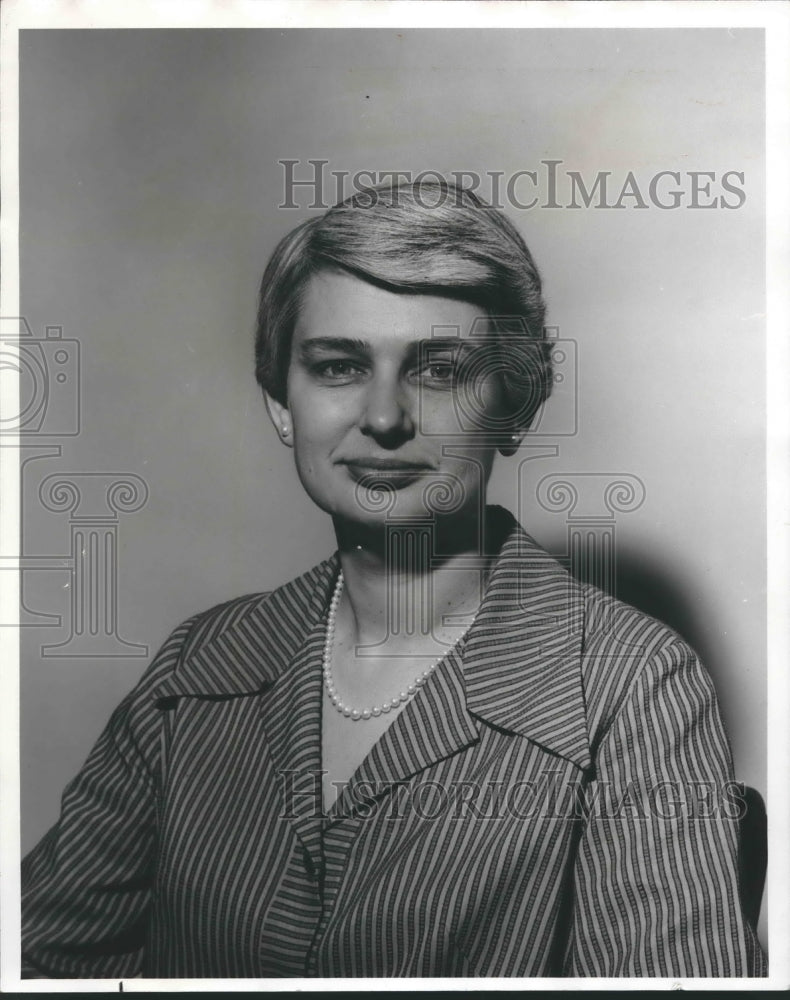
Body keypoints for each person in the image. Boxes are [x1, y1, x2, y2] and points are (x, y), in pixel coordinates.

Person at [22, 180, 766, 978]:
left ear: (515, 405)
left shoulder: (632, 685)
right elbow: (43, 961)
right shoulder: (199, 665)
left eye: (439, 370)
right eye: (339, 366)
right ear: (281, 403)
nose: (384, 417)